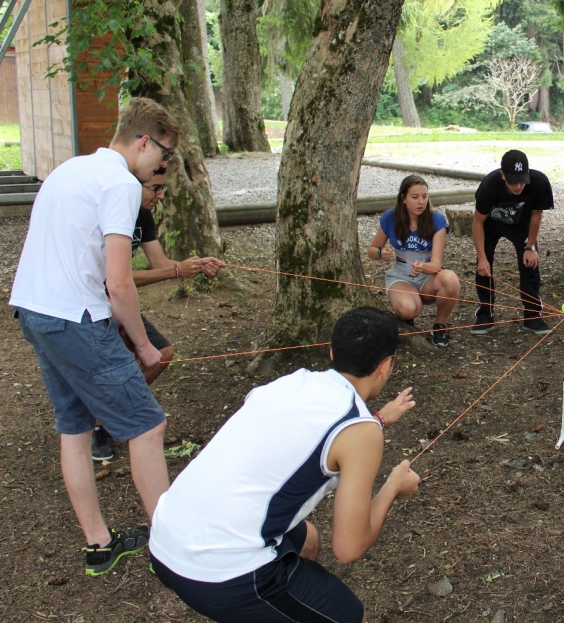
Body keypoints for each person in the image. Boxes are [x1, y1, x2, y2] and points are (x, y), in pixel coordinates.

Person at [149, 307, 420, 622]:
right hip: (221, 572)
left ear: (332, 352)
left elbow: (301, 439)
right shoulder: (360, 432)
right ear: (386, 366)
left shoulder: (290, 384)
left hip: (166, 538)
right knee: (349, 615)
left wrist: (380, 419)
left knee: (307, 539)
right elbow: (349, 548)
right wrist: (392, 488)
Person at [9, 97, 178, 575]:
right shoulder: (121, 183)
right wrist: (143, 345)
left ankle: (99, 545)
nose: (161, 166)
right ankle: (174, 547)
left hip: (34, 311)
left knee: (75, 427)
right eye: (163, 156)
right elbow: (118, 281)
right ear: (144, 141)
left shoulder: (72, 169)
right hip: (75, 319)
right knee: (147, 425)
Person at [91, 166, 226, 461]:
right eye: (155, 188)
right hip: (93, 304)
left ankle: (111, 413)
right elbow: (115, 278)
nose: (160, 195)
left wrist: (194, 266)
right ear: (132, 186)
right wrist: (176, 271)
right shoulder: (115, 212)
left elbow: (160, 263)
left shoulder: (144, 216)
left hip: (120, 301)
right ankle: (97, 425)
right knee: (106, 366)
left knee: (162, 353)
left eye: (162, 189)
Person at [367, 175, 461, 347]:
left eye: (424, 196)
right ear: (403, 198)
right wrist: (381, 253)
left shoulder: (437, 220)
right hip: (400, 276)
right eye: (415, 197)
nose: (421, 202)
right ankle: (407, 317)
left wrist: (423, 267)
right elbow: (371, 251)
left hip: (426, 277)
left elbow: (436, 266)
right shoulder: (390, 218)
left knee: (451, 280)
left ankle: (440, 326)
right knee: (408, 309)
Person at [471, 149, 554, 336]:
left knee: (530, 263)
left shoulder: (539, 183)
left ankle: (532, 315)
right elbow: (477, 222)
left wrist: (530, 247)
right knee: (484, 267)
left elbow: (536, 216)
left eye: (521, 180)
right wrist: (482, 258)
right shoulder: (490, 185)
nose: (518, 186)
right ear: (502, 175)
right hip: (491, 224)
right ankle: (485, 314)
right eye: (512, 181)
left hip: (520, 225)